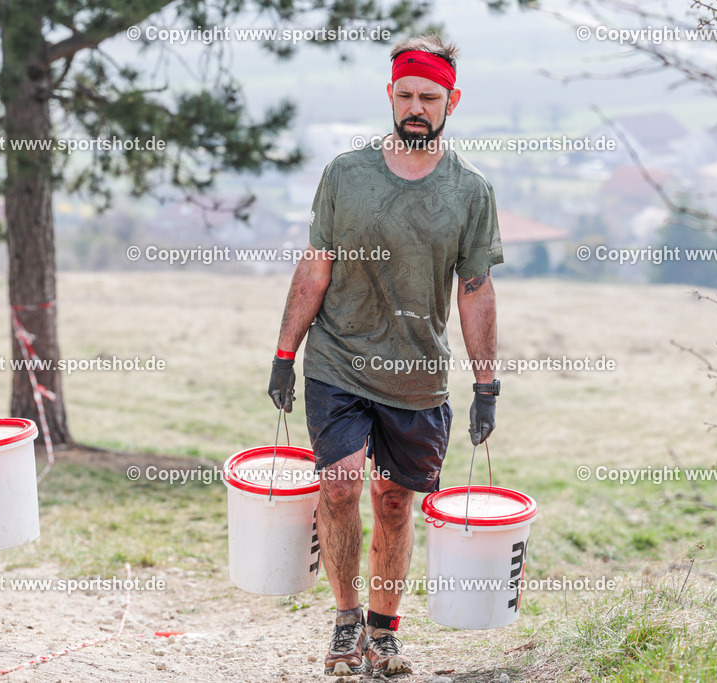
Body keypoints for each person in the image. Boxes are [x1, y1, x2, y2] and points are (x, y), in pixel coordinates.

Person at [268, 34, 502, 678]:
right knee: (340, 485)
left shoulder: (471, 191)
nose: (416, 108)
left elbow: (475, 289)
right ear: (390, 95)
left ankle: (384, 629)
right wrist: (285, 353)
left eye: (430, 97)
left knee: (395, 501)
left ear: (452, 101)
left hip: (418, 375)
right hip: (338, 360)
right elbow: (317, 265)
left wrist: (486, 385)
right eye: (405, 95)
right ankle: (346, 621)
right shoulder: (346, 174)